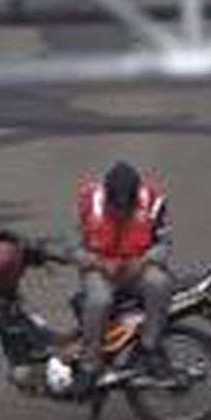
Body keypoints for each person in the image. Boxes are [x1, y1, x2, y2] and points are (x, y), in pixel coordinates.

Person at [73, 160, 174, 396]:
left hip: (139, 266)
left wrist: (145, 261)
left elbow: (165, 244)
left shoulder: (153, 202)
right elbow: (73, 249)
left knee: (159, 284)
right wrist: (98, 263)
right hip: (99, 268)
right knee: (99, 301)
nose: (121, 211)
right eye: (116, 206)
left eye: (126, 206)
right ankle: (90, 366)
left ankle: (150, 348)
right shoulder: (88, 202)